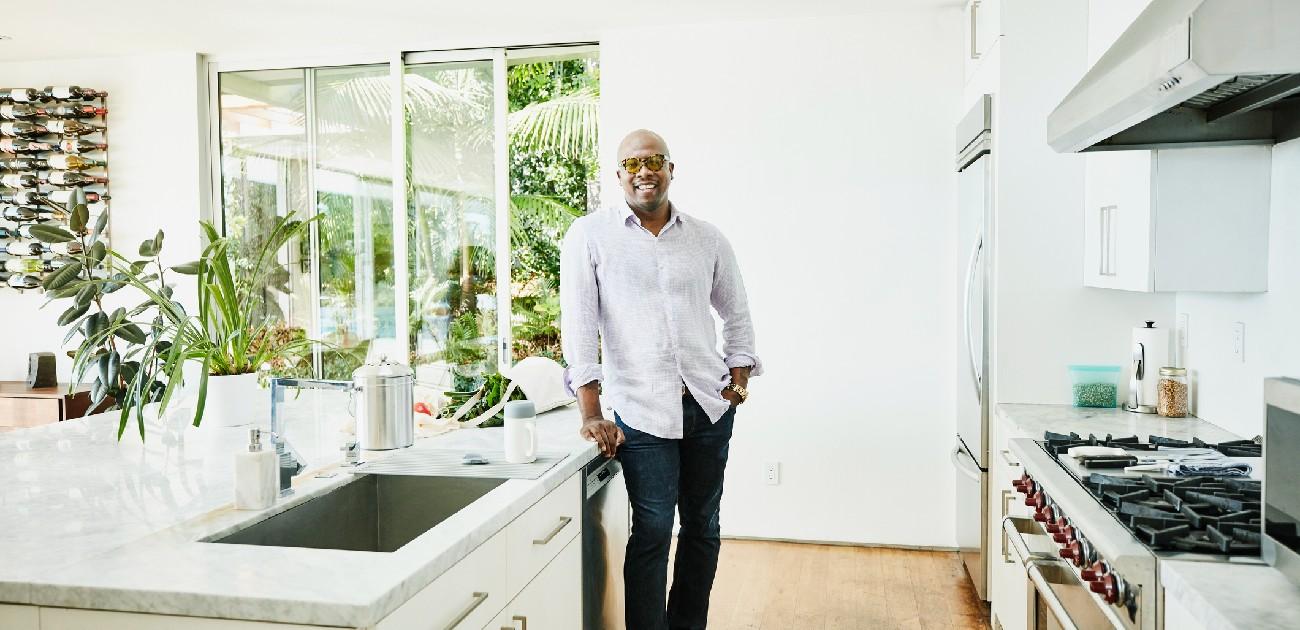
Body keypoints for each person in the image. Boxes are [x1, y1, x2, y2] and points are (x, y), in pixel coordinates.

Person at [560, 129, 762, 630]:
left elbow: (737, 314)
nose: (644, 171)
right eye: (632, 163)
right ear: (618, 175)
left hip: (709, 408)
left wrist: (736, 385)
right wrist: (591, 413)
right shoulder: (590, 235)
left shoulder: (707, 238)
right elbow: (581, 326)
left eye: (654, 161)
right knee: (651, 530)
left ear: (672, 169)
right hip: (643, 411)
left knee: (703, 527)